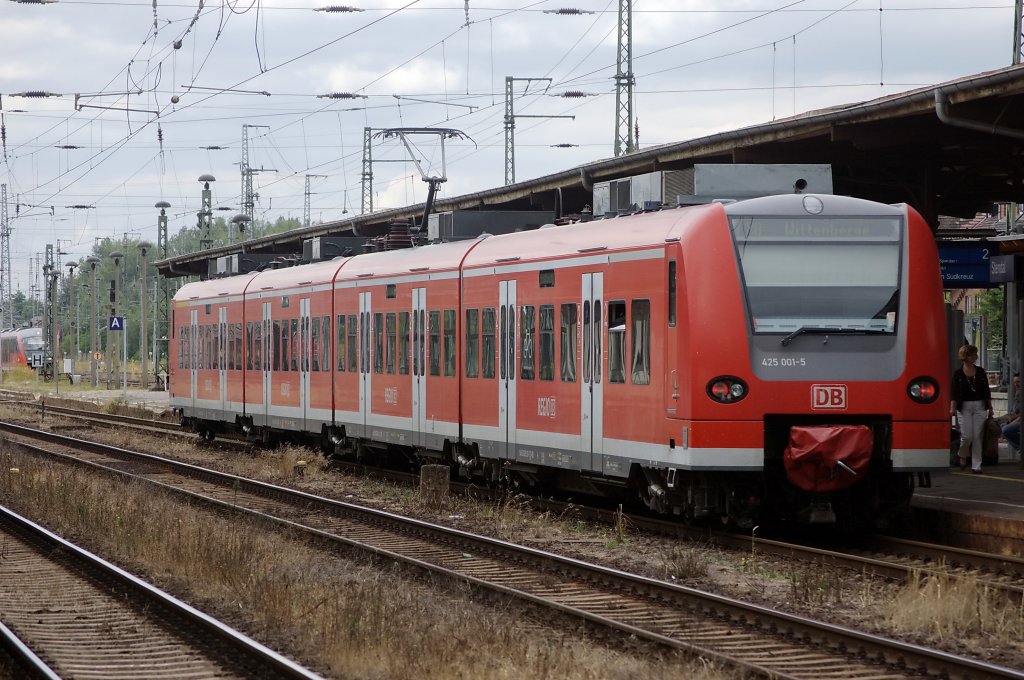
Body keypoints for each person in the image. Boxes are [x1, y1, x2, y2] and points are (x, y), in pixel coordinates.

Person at [950, 344, 993, 473]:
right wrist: (952, 408)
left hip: (980, 405)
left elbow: (986, 391)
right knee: (967, 435)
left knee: (977, 436)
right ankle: (962, 454)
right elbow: (954, 392)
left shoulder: (980, 371)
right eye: (971, 354)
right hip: (964, 407)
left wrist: (990, 407)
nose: (974, 356)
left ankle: (976, 465)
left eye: (975, 354)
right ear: (965, 356)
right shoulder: (958, 373)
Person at [1002, 373, 1021, 458]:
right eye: (1014, 382)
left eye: (1018, 381)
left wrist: (1012, 423)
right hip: (1018, 420)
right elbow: (1015, 412)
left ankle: (1021, 448)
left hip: (1021, 421)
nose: (1016, 384)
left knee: (1006, 429)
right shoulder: (1018, 393)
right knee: (1000, 426)